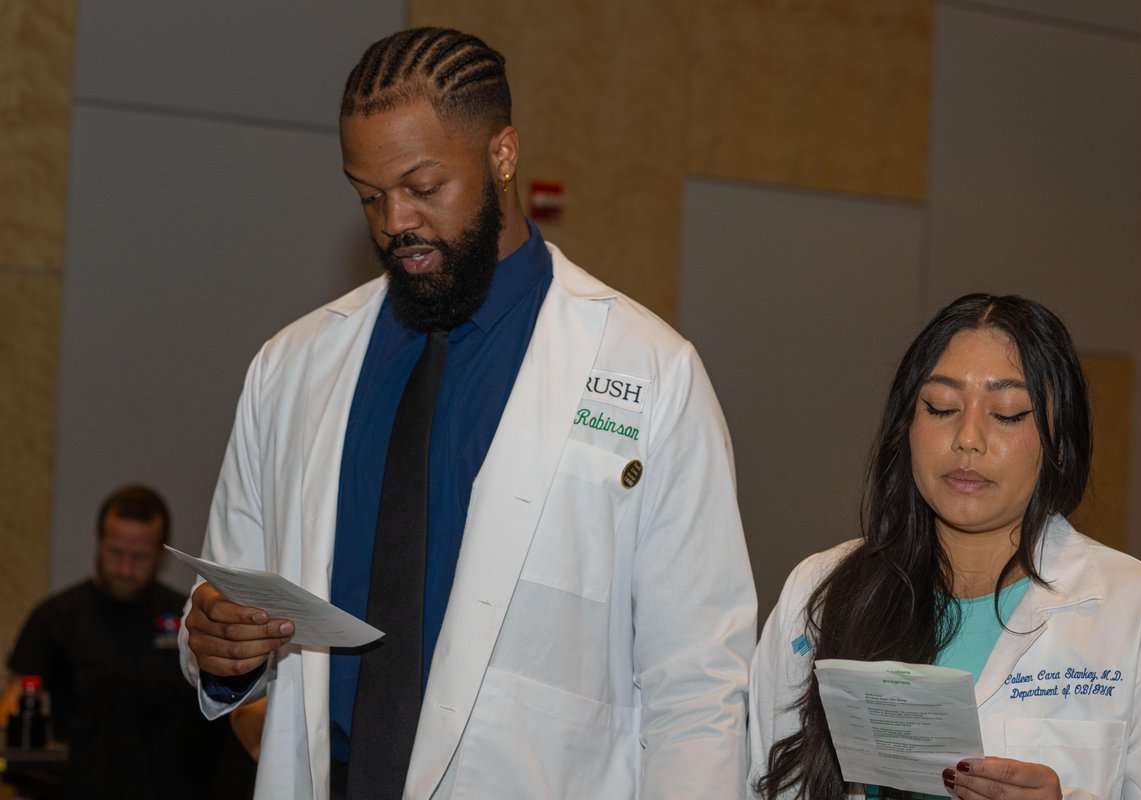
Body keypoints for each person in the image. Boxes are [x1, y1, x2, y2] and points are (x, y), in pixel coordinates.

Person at [180, 26, 756, 800]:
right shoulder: (293, 366)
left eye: (424, 187)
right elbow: (230, 596)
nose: (396, 224)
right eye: (369, 196)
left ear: (503, 154)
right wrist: (218, 645)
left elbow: (700, 687)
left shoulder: (650, 372)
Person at [749, 294, 1141, 800]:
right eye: (942, 407)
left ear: (1061, 438)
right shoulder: (820, 591)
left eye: (1007, 414)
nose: (968, 439)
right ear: (907, 426)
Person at [3, 484, 254, 799]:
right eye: (115, 553)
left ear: (159, 554)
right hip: (78, 788)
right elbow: (15, 705)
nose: (124, 568)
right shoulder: (56, 616)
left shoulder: (187, 620)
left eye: (139, 557)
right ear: (99, 543)